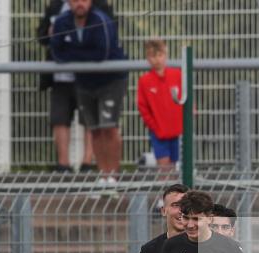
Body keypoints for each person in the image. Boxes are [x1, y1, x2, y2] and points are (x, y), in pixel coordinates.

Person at [49, 0, 127, 181]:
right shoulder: (62, 22)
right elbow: (57, 52)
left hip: (110, 80)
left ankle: (113, 177)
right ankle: (103, 176)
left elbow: (102, 53)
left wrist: (73, 56)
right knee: (96, 129)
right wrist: (82, 57)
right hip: (84, 82)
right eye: (75, 0)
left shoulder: (101, 19)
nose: (79, 3)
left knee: (109, 127)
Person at [37, 0, 110, 172]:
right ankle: (63, 164)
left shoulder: (99, 8)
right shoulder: (56, 8)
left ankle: (87, 162)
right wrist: (50, 34)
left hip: (89, 76)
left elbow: (109, 31)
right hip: (60, 77)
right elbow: (42, 35)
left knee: (90, 119)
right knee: (59, 118)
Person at [138, 39, 183, 168]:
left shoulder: (177, 75)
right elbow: (143, 107)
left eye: (160, 55)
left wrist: (186, 120)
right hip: (159, 133)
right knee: (164, 168)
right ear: (148, 58)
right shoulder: (145, 81)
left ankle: (175, 188)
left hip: (177, 131)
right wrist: (155, 127)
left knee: (176, 168)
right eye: (153, 56)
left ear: (166, 55)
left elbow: (187, 98)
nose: (157, 59)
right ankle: (164, 188)